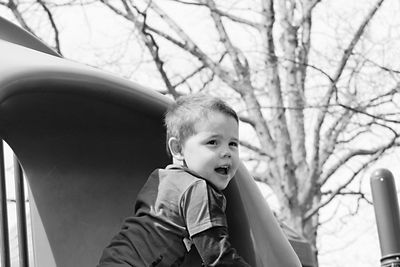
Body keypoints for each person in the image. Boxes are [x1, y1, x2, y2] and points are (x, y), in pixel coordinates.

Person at [97, 94, 250, 267]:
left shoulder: (162, 179)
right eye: (213, 142)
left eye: (233, 144)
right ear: (178, 149)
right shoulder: (197, 188)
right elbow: (216, 255)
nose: (226, 152)